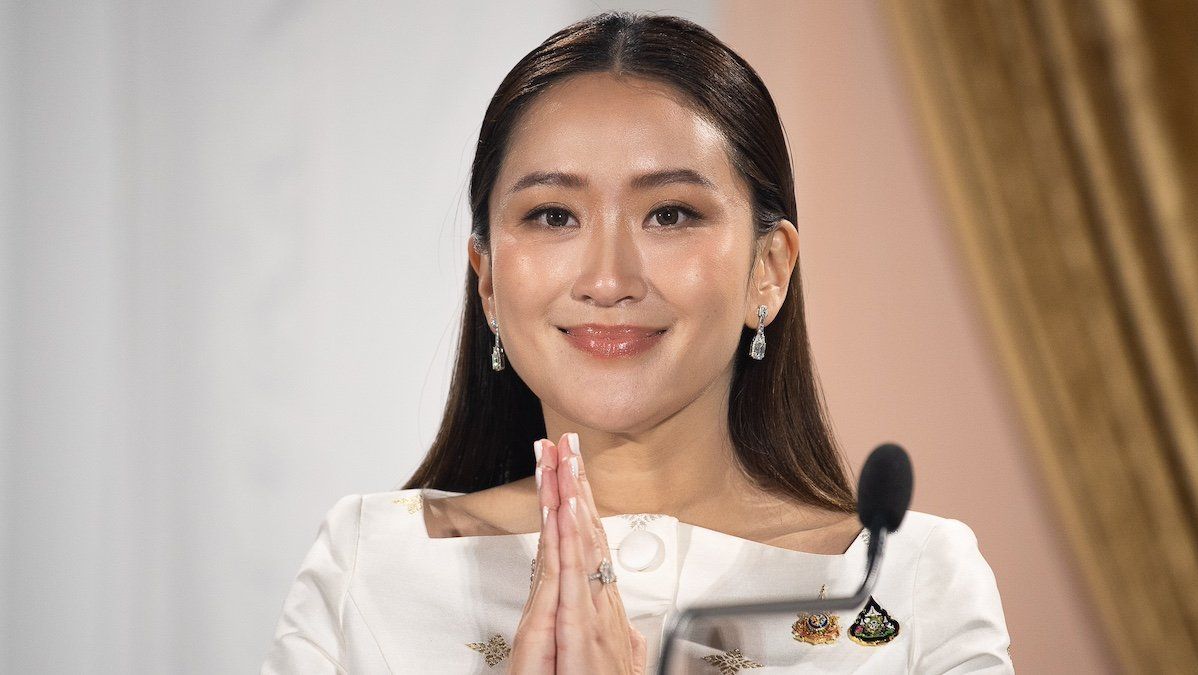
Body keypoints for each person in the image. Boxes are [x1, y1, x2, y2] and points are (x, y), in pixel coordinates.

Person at [261, 11, 1012, 674]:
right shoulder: (371, 564)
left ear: (769, 269)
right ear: (487, 279)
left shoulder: (904, 581)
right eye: (554, 215)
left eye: (671, 214)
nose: (609, 277)